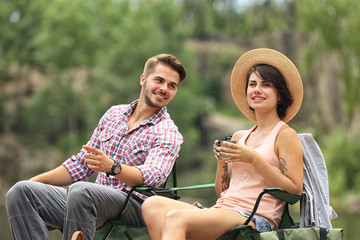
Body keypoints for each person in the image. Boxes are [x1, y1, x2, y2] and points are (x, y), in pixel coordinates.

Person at [5, 53, 186, 240]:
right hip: (89, 203)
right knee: (20, 192)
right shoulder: (113, 114)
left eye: (172, 86)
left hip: (135, 206)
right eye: (159, 80)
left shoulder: (168, 131)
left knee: (82, 191)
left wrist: (113, 167)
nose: (164, 88)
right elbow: (81, 164)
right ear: (143, 79)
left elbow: (152, 177)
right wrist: (33, 182)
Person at [141, 48, 304, 240]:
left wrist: (253, 158)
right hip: (224, 209)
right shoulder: (240, 136)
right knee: (151, 206)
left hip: (255, 217)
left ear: (279, 95)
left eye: (266, 85)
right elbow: (222, 192)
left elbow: (294, 189)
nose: (257, 89)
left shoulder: (284, 134)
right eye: (252, 84)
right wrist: (222, 161)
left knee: (176, 218)